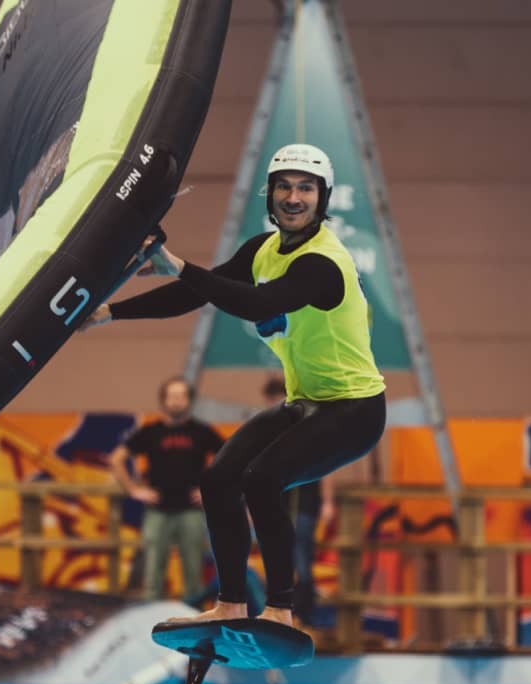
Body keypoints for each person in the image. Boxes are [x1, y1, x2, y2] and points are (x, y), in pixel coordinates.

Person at [83, 143, 386, 628]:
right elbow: (191, 295)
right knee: (218, 479)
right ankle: (231, 604)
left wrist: (180, 264)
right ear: (270, 194)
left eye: (306, 189)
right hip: (306, 402)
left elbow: (255, 303)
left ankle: (282, 611)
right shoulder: (262, 250)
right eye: (284, 187)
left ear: (322, 199)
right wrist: (108, 313)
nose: (293, 197)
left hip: (355, 410)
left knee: (263, 479)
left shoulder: (322, 263)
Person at [109, 376, 224, 601]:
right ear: (164, 400)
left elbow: (230, 459)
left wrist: (212, 490)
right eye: (172, 396)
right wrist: (133, 490)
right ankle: (152, 626)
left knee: (193, 577)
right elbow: (116, 459)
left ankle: (192, 624)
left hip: (191, 512)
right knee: (152, 578)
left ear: (189, 400)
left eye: (181, 396)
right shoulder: (151, 432)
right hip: (157, 511)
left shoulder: (202, 432)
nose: (176, 401)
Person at [262, 374, 336, 627]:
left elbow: (325, 466)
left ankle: (304, 614)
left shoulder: (309, 427)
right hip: (277, 502)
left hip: (304, 503)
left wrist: (327, 502)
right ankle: (279, 612)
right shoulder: (266, 431)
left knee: (302, 558)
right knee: (278, 556)